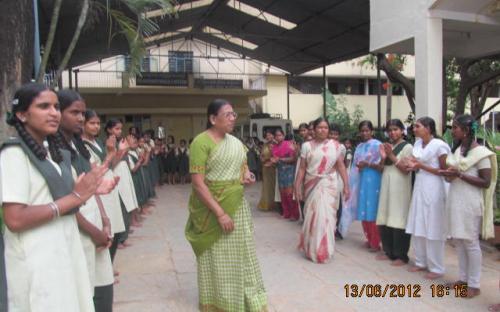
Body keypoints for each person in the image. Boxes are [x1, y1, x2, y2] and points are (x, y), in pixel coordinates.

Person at [0, 83, 109, 311]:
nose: (53, 113)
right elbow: (15, 219)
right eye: (43, 106)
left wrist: (87, 190)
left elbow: (67, 197)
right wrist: (73, 198)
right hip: (37, 259)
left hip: (64, 250)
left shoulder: (52, 155)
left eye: (56, 107)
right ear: (21, 115)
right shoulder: (14, 154)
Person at [185, 99, 267, 311]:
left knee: (243, 253)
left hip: (237, 207)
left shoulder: (236, 143)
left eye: (234, 114)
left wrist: (246, 176)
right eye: (228, 114)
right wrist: (220, 213)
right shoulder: (200, 143)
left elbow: (243, 169)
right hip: (211, 210)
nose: (233, 118)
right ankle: (218, 301)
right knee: (215, 256)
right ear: (213, 118)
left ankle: (247, 298)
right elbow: (198, 183)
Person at [57, 90, 116, 311]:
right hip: (80, 229)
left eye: (83, 113)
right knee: (84, 291)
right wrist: (94, 232)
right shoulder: (55, 151)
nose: (80, 118)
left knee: (103, 288)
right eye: (74, 112)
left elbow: (92, 187)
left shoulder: (77, 147)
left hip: (94, 224)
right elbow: (68, 202)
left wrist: (104, 218)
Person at [442, 114, 497, 297]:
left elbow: (486, 182)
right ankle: (463, 280)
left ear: (465, 131)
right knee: (458, 240)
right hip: (456, 200)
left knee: (471, 242)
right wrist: (448, 174)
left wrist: (460, 175)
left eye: (456, 127)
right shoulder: (458, 150)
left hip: (470, 203)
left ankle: (474, 284)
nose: (453, 130)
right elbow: (453, 175)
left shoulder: (481, 153)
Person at [295, 118, 350, 263]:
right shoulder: (306, 146)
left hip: (329, 184)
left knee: (327, 219)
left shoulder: (336, 146)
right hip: (311, 184)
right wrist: (297, 187)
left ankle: (325, 250)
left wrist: (346, 186)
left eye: (325, 128)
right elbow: (302, 169)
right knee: (312, 217)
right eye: (319, 127)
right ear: (314, 129)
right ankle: (311, 248)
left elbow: (341, 166)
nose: (322, 130)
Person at [405, 117, 450, 280]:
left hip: (435, 186)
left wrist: (420, 166)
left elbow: (445, 172)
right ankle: (420, 261)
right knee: (418, 222)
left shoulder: (439, 146)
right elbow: (416, 165)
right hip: (420, 184)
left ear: (429, 128)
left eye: (418, 126)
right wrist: (412, 166)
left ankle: (437, 267)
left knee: (433, 224)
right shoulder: (417, 145)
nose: (414, 129)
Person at [82, 116, 125, 262]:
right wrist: (111, 153)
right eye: (92, 123)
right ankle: (107, 266)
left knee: (115, 228)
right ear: (83, 124)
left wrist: (118, 152)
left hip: (109, 186)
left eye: (98, 123)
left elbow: (112, 164)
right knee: (106, 229)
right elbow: (96, 171)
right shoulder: (83, 146)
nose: (96, 126)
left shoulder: (99, 142)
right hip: (99, 189)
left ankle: (110, 264)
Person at [339, 120, 383, 252]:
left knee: (372, 210)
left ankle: (376, 242)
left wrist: (368, 165)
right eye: (362, 131)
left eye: (367, 130)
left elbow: (382, 167)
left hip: (374, 180)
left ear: (372, 131)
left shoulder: (378, 145)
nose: (364, 133)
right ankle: (369, 239)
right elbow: (354, 165)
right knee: (363, 209)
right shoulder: (359, 147)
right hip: (361, 180)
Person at [376, 119, 413, 266]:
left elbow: (405, 170)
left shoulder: (407, 147)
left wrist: (391, 155)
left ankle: (401, 255)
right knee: (385, 216)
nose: (392, 132)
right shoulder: (388, 147)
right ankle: (388, 251)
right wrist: (383, 158)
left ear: (402, 130)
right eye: (390, 130)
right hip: (387, 185)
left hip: (400, 188)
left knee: (399, 218)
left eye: (396, 129)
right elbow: (380, 168)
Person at [105, 119, 140, 250]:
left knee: (127, 207)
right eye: (116, 129)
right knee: (121, 208)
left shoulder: (121, 142)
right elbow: (111, 164)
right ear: (109, 129)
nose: (119, 131)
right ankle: (118, 240)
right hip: (116, 177)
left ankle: (123, 237)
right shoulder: (109, 144)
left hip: (125, 177)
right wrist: (124, 150)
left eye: (120, 129)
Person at [272, 129, 300, 220]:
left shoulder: (288, 144)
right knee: (282, 193)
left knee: (289, 193)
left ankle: (294, 214)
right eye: (276, 135)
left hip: (289, 171)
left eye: (280, 135)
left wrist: (280, 159)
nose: (278, 137)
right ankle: (286, 213)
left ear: (283, 136)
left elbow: (293, 159)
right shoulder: (274, 147)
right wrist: (273, 162)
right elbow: (275, 160)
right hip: (280, 172)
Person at [257, 131, 276, 211]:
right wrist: (262, 159)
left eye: (270, 135)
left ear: (273, 135)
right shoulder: (265, 145)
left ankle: (275, 204)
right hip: (265, 168)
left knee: (274, 185)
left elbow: (276, 155)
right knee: (266, 186)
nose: (268, 137)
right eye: (267, 135)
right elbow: (261, 155)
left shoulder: (276, 144)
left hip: (273, 167)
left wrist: (268, 159)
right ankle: (267, 203)